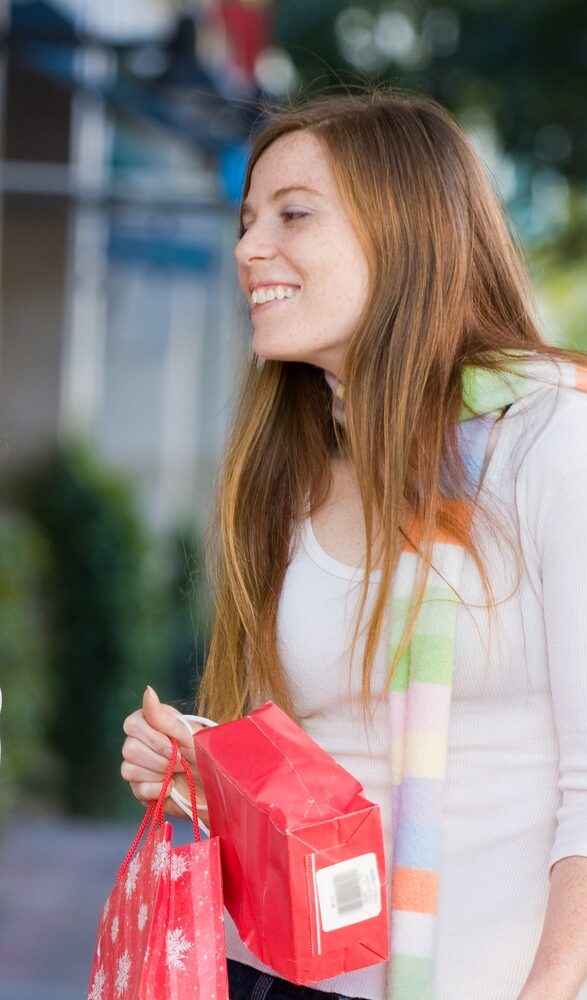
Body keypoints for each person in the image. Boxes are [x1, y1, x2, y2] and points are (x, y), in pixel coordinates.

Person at [122, 92, 587, 1000]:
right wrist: (207, 764)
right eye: (247, 220)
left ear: (405, 231)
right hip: (282, 977)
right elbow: (327, 770)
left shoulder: (549, 438)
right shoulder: (288, 468)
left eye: (293, 214)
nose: (249, 250)